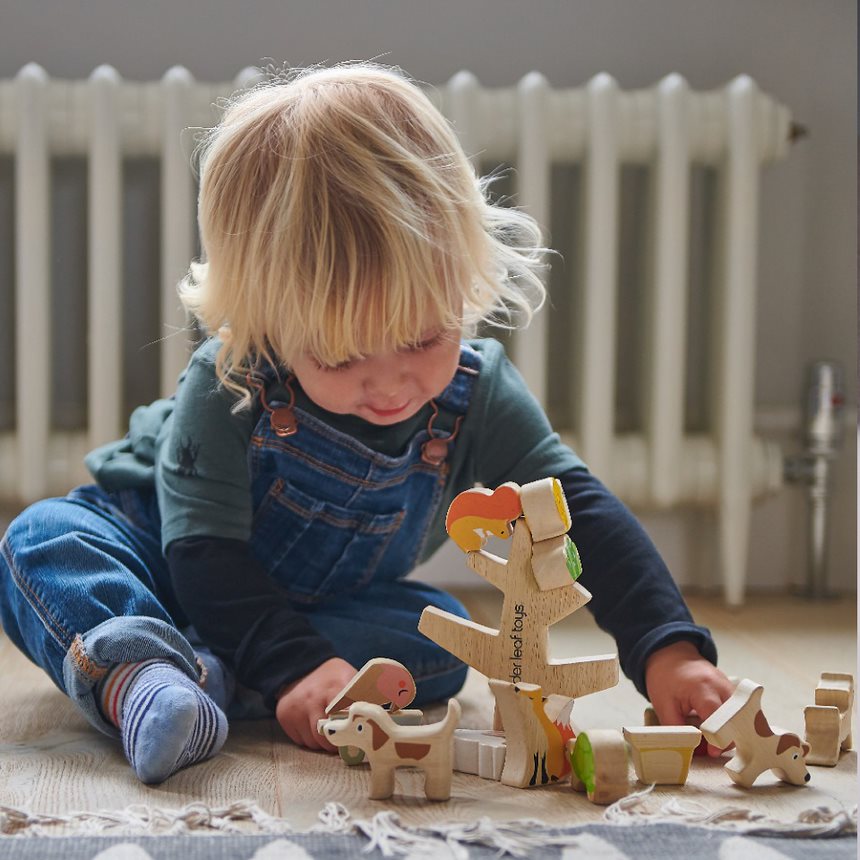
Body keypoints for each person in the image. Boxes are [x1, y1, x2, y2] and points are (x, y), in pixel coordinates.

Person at [0, 63, 733, 785]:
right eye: (340, 353)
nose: (390, 382)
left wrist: (669, 650)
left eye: (423, 338)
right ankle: (142, 679)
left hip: (317, 607)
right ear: (269, 321)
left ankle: (210, 674)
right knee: (40, 542)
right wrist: (296, 662)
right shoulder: (231, 382)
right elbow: (204, 557)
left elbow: (578, 518)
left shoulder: (478, 396)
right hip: (162, 557)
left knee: (443, 642)